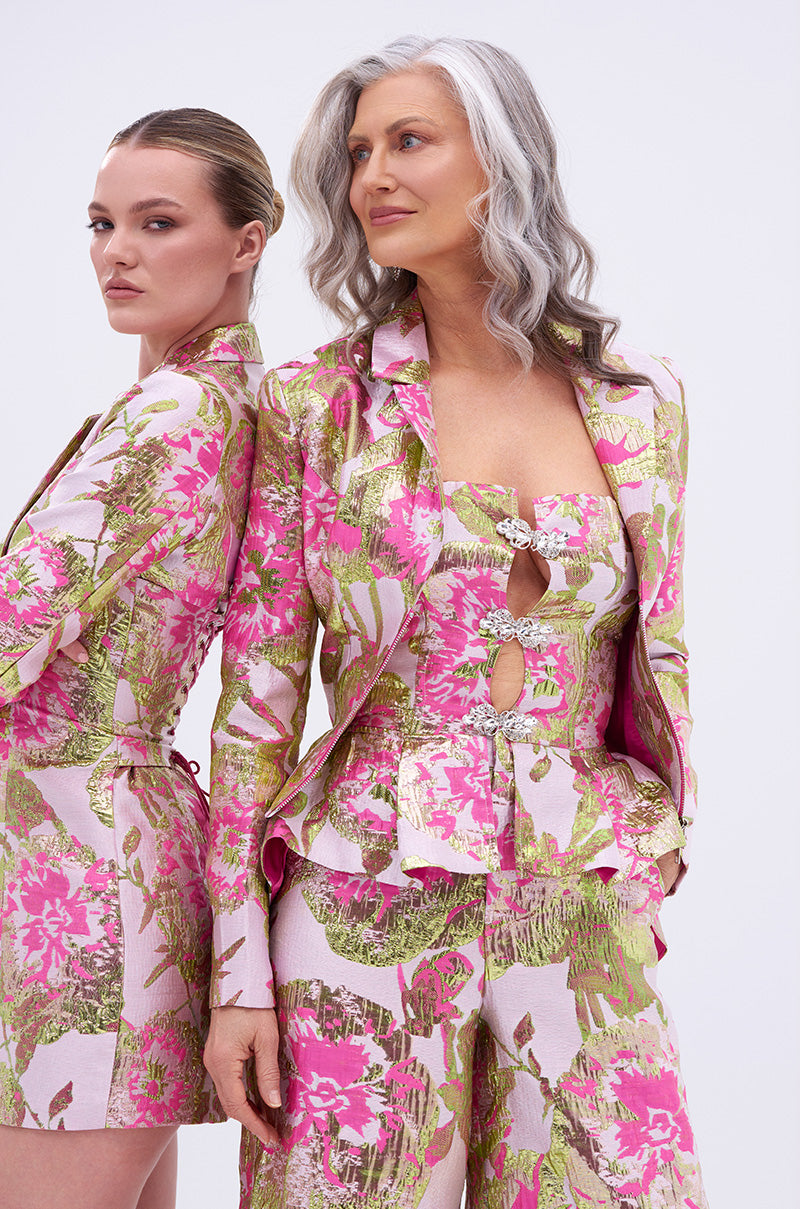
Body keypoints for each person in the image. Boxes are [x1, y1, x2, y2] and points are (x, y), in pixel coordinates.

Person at [205, 35, 707, 1209]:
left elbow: (660, 649)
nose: (371, 175)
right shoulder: (315, 404)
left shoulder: (638, 399)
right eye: (357, 153)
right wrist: (237, 977)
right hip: (362, 892)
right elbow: (257, 700)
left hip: (577, 892)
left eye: (408, 142)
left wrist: (663, 837)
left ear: (502, 160)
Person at [0, 108, 283, 1209]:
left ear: (247, 241)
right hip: (104, 853)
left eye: (158, 223)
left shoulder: (173, 413)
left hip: (79, 873)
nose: (116, 252)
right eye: (102, 222)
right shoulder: (230, 402)